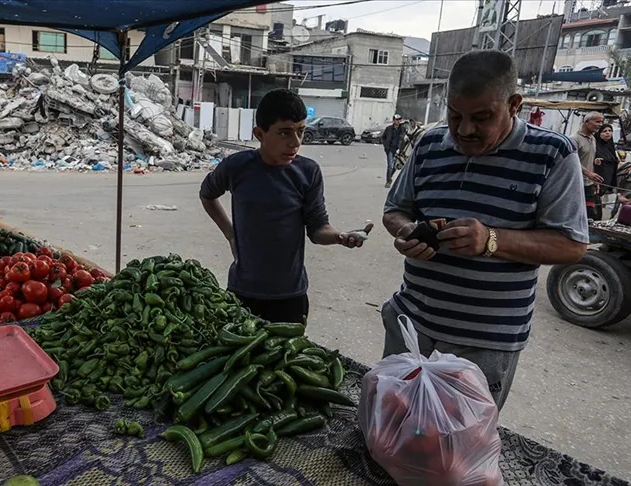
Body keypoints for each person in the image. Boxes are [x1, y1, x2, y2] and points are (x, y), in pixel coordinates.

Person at [381, 50, 588, 411]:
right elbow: (395, 210)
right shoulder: (429, 144)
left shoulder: (552, 153)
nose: (464, 130)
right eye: (455, 115)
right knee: (391, 426)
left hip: (484, 342)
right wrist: (407, 231)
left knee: (455, 451)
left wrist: (492, 240)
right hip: (412, 325)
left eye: (482, 117)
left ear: (514, 105)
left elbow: (571, 246)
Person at [199, 89, 366, 324]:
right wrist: (231, 235)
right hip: (242, 292)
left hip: (290, 296)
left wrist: (340, 237)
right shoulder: (235, 167)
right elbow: (207, 195)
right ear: (260, 133)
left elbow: (318, 230)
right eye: (285, 133)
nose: (295, 142)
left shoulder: (308, 172)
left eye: (300, 132)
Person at [572, 112, 605, 219]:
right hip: (575, 183)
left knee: (589, 214)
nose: (600, 125)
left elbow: (588, 160)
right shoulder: (574, 139)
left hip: (589, 184)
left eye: (601, 122)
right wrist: (588, 173)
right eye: (597, 121)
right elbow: (572, 161)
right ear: (587, 122)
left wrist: (594, 179)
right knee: (575, 213)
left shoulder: (593, 138)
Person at [594, 124, 620, 217]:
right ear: (599, 133)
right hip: (594, 181)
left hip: (606, 181)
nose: (608, 133)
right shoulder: (594, 144)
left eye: (610, 130)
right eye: (604, 131)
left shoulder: (610, 146)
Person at [382, 114, 406, 188]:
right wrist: (386, 146)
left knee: (395, 166)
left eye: (399, 120)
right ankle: (388, 181)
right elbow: (383, 137)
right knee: (390, 166)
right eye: (396, 120)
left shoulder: (402, 129)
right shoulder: (388, 129)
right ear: (393, 121)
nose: (398, 121)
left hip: (399, 150)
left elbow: (405, 138)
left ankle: (390, 178)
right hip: (390, 149)